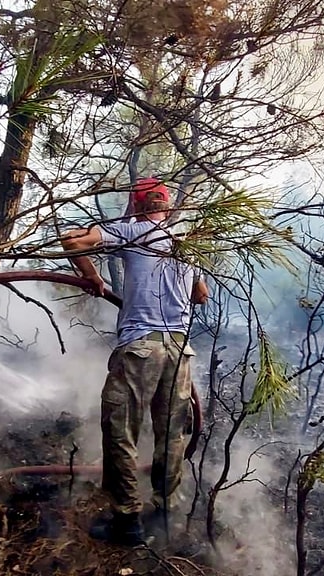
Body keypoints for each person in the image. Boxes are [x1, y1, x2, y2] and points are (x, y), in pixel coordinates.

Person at [60, 177, 208, 545]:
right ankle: (167, 514)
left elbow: (71, 240)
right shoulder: (183, 242)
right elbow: (201, 295)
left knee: (121, 431)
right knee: (171, 435)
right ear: (167, 207)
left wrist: (92, 277)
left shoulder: (132, 230)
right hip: (179, 351)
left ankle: (128, 522)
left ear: (136, 206)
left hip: (141, 347)